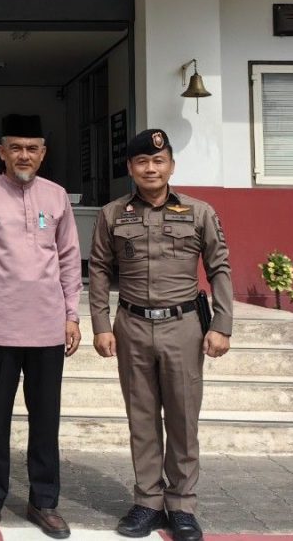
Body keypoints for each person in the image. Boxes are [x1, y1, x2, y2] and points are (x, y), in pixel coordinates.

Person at [87, 128, 234, 541]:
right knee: (142, 418)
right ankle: (148, 503)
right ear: (130, 167)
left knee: (183, 418)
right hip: (131, 325)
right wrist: (101, 324)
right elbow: (98, 269)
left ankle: (182, 505)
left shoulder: (199, 212)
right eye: (142, 162)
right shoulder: (112, 214)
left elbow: (219, 267)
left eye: (158, 161)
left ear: (171, 165)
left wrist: (221, 324)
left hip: (183, 326)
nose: (150, 168)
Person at [0, 114, 82, 540]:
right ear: (2, 152)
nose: (24, 155)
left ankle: (44, 501)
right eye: (16, 147)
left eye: (32, 148)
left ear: (43, 153)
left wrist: (71, 315)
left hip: (47, 326)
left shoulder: (57, 196)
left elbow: (69, 258)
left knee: (45, 418)